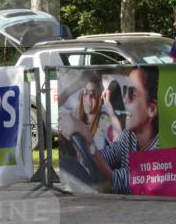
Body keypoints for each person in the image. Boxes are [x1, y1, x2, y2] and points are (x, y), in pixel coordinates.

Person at [65, 67, 159, 195]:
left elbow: (114, 181)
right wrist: (84, 152)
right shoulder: (130, 136)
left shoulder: (160, 150)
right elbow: (108, 155)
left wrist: (88, 140)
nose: (125, 99)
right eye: (125, 91)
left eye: (132, 93)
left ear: (152, 109)